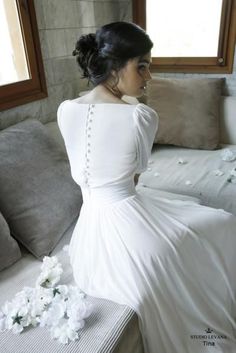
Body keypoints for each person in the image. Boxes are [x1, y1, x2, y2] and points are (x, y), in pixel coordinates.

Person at [57, 22, 236, 353]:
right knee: (222, 224)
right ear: (113, 66)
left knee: (206, 225)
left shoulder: (65, 110)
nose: (149, 76)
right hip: (130, 229)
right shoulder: (140, 116)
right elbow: (135, 177)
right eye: (141, 66)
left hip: (88, 236)